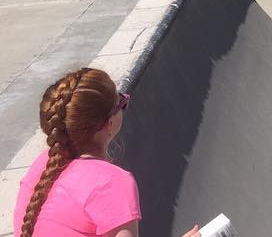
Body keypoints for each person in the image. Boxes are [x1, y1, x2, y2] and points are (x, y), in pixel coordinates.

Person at [13, 67, 200, 237]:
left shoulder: (44, 163)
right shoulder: (111, 183)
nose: (125, 101)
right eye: (121, 103)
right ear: (108, 124)